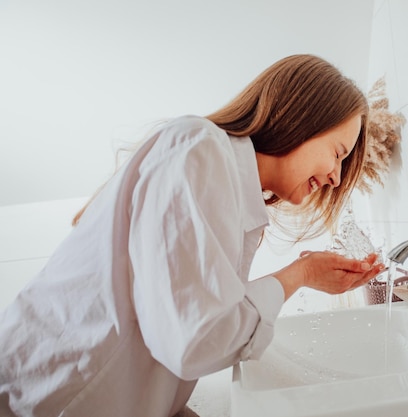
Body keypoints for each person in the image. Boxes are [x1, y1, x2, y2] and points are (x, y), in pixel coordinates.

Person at [0, 54, 384, 416]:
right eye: (338, 153)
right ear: (302, 117)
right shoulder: (200, 149)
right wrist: (300, 275)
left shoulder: (223, 182)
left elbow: (186, 327)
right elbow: (195, 340)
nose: (335, 175)